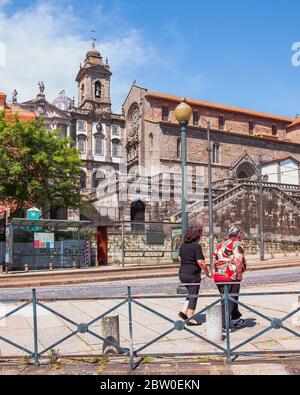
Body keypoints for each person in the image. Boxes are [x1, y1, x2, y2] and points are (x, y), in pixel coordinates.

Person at [213, 225, 247, 331]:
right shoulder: (237, 244)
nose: (242, 235)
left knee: (230, 298)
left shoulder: (220, 245)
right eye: (241, 233)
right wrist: (239, 273)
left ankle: (236, 319)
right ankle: (223, 324)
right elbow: (239, 260)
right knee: (229, 300)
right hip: (230, 276)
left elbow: (214, 260)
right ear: (238, 234)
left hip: (218, 276)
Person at [178, 225, 212, 326]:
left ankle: (183, 312)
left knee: (190, 292)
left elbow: (180, 258)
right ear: (196, 235)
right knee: (194, 295)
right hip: (192, 275)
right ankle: (190, 318)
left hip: (182, 273)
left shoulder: (183, 245)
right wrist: (207, 272)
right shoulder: (196, 246)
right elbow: (201, 262)